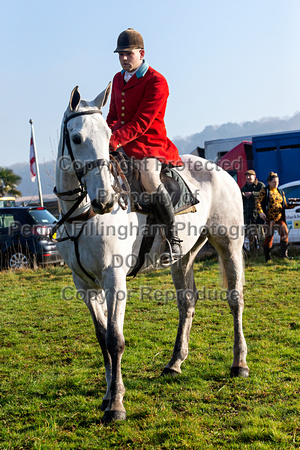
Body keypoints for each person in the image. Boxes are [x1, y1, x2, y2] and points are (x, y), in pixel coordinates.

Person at [107, 28, 182, 264]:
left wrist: (115, 139)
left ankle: (174, 239)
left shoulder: (157, 81)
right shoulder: (118, 79)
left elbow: (141, 122)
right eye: (120, 54)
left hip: (151, 145)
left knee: (149, 177)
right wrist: (105, 137)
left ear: (141, 53)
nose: (124, 58)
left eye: (128, 54)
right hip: (122, 144)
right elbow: (112, 116)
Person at [255, 172, 293, 262]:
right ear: (269, 182)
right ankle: (268, 258)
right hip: (269, 219)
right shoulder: (265, 191)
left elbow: (284, 205)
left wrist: (293, 205)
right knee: (269, 237)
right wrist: (260, 212)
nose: (276, 184)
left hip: (279, 218)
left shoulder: (280, 192)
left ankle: (284, 255)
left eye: (277, 182)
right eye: (274, 182)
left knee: (285, 234)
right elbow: (258, 202)